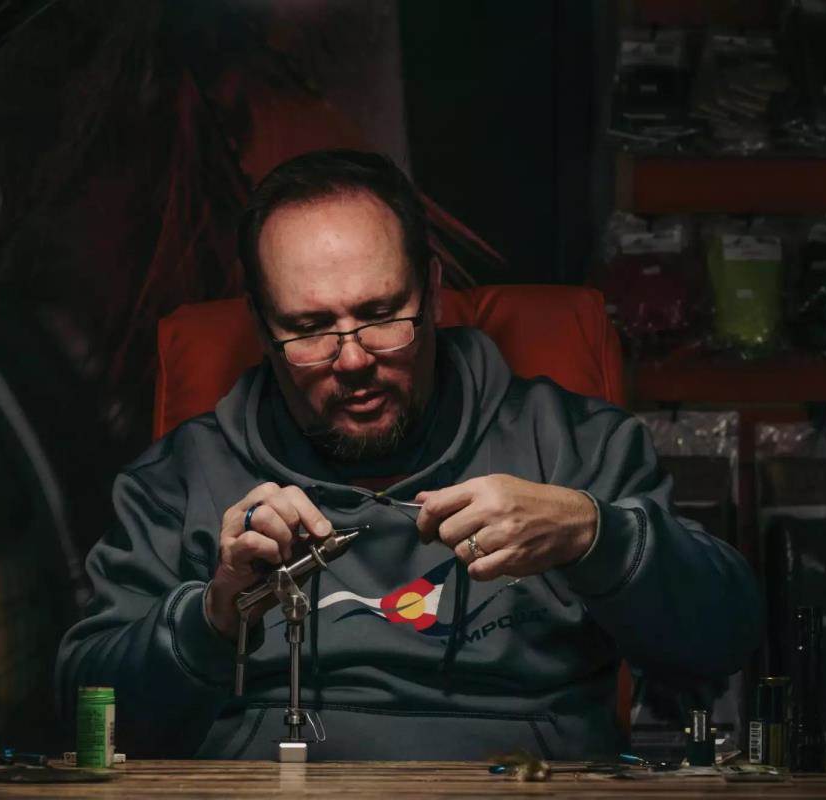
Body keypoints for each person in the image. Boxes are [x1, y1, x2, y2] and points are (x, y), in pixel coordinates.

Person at [56, 149, 763, 760]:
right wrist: (210, 616)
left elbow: (722, 641)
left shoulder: (572, 443)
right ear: (261, 324)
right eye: (308, 329)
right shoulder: (185, 475)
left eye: (380, 314)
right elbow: (86, 713)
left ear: (433, 292)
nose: (354, 359)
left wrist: (593, 534)